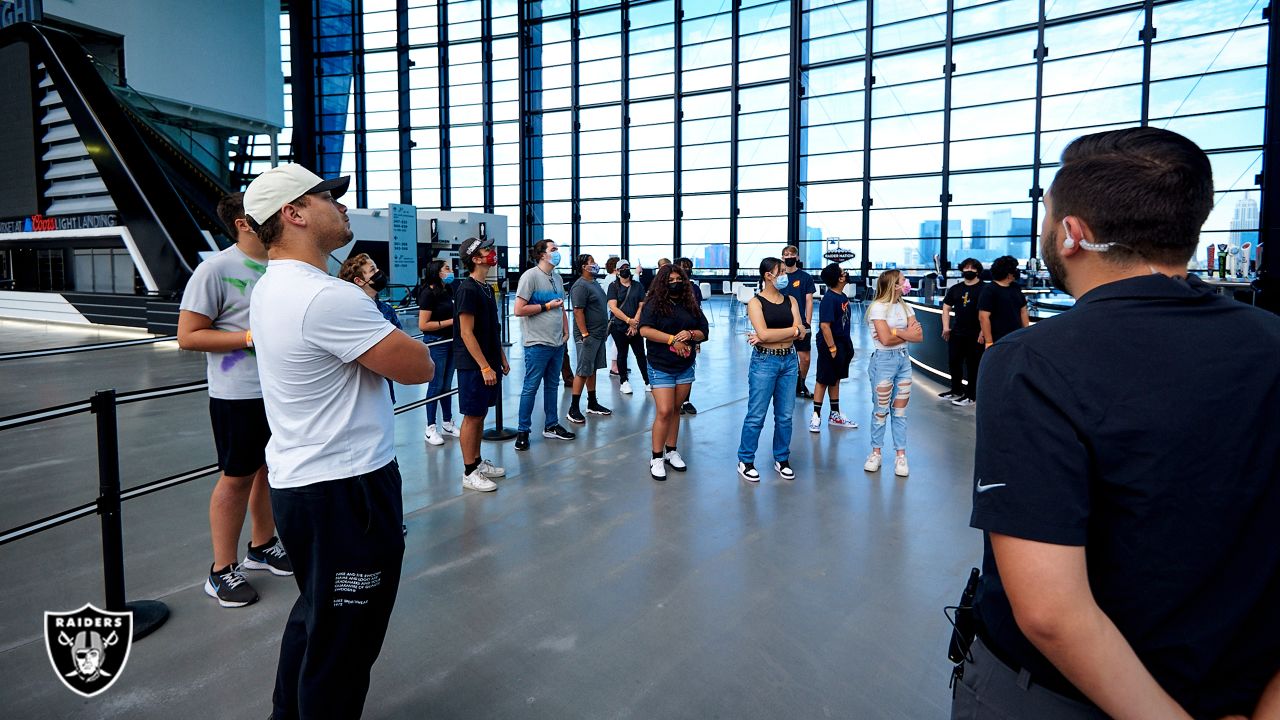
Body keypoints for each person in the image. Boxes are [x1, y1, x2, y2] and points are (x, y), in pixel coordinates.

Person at [955, 127, 1280, 720]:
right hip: (1235, 686)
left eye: (1049, 215)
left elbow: (1051, 610)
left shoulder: (1033, 363)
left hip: (1060, 698)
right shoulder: (1272, 342)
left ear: (1073, 233)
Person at [244, 163, 433, 720]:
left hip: (302, 483)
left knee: (316, 618)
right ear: (294, 213)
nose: (342, 205)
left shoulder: (271, 287)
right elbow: (418, 365)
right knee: (345, 645)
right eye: (327, 196)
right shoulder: (327, 298)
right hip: (347, 490)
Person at [178, 191, 291, 609]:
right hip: (237, 395)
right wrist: (247, 338)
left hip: (279, 390)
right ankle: (221, 569)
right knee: (237, 476)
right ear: (243, 223)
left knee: (267, 470)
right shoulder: (216, 270)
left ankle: (261, 545)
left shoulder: (280, 267)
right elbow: (188, 335)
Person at [736, 257, 805, 482]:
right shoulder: (755, 303)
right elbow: (763, 335)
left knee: (785, 416)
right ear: (768, 275)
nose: (785, 275)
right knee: (756, 415)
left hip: (789, 361)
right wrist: (792, 331)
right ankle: (745, 461)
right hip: (765, 362)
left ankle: (782, 458)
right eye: (781, 271)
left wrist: (793, 332)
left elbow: (802, 330)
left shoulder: (791, 300)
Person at [638, 264, 708, 480]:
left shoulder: (690, 303)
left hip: (685, 365)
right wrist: (672, 340)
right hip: (661, 364)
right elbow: (645, 330)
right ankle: (656, 457)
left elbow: (703, 331)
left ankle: (671, 451)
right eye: (671, 280)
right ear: (662, 282)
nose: (675, 283)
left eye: (679, 279)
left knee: (676, 409)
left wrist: (689, 334)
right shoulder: (653, 303)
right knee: (665, 411)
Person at [453, 236, 510, 492]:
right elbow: (467, 333)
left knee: (481, 413)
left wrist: (500, 358)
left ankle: (477, 462)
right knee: (472, 416)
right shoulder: (467, 289)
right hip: (474, 365)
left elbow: (491, 329)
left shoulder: (487, 287)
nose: (492, 252)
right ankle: (468, 471)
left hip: (489, 361)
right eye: (486, 250)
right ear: (475, 259)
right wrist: (484, 366)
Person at [512, 239, 576, 451]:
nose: (558, 253)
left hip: (557, 342)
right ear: (542, 254)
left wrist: (565, 329)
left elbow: (561, 307)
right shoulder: (530, 277)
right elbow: (519, 309)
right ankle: (523, 431)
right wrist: (546, 306)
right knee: (531, 387)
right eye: (553, 249)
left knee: (552, 385)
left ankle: (552, 424)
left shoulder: (556, 278)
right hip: (537, 343)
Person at [863, 269, 923, 477]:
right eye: (903, 280)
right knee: (880, 410)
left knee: (900, 412)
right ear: (894, 285)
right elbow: (885, 340)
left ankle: (900, 456)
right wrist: (903, 334)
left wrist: (895, 332)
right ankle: (875, 453)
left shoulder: (906, 307)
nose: (907, 283)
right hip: (883, 362)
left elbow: (918, 336)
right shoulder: (878, 308)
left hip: (903, 361)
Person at [339, 253, 402, 401]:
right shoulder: (348, 313)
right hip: (357, 391)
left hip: (385, 384)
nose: (378, 272)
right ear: (359, 280)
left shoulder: (387, 310)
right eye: (373, 270)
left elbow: (399, 345)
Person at [808, 263, 858, 433]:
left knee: (835, 378)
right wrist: (832, 348)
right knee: (823, 379)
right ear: (838, 278)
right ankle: (816, 416)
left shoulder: (842, 296)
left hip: (842, 344)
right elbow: (825, 326)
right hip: (831, 344)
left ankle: (834, 414)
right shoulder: (829, 299)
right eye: (843, 272)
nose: (846, 274)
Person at [417, 259, 460, 445]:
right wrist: (451, 322)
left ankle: (447, 422)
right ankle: (430, 428)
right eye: (447, 268)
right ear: (437, 271)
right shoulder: (428, 293)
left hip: (451, 342)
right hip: (437, 343)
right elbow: (423, 325)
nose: (451, 271)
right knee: (435, 386)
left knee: (446, 386)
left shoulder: (448, 290)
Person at [567, 253, 612, 424]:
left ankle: (592, 403)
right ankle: (573, 408)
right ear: (583, 266)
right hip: (588, 336)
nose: (595, 264)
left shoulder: (594, 283)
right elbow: (578, 311)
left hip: (599, 334)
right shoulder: (580, 286)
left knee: (592, 369)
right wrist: (585, 334)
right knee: (583, 370)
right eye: (591, 262)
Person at [940, 258, 986, 407]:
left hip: (976, 335)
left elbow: (989, 313)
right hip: (957, 332)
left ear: (978, 270)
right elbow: (946, 307)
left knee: (973, 365)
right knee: (954, 362)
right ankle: (956, 390)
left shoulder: (984, 289)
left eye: (972, 268)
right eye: (966, 267)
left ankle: (971, 395)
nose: (969, 270)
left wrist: (983, 331)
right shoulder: (956, 288)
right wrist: (946, 327)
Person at [606, 259, 649, 394]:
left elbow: (641, 305)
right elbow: (613, 307)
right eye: (622, 268)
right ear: (617, 271)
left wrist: (635, 322)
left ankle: (647, 381)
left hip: (635, 326)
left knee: (640, 354)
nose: (625, 269)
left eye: (627, 267)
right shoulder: (613, 286)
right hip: (618, 326)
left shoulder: (637, 286)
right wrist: (628, 320)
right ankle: (624, 381)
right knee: (622, 353)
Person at [780, 245, 817, 399]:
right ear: (782, 258)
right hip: (782, 323)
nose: (789, 257)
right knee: (782, 356)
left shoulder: (805, 277)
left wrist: (807, 322)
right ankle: (783, 387)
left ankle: (800, 385)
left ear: (797, 257)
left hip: (800, 324)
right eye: (785, 255)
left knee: (805, 358)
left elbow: (809, 301)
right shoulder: (779, 278)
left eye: (791, 254)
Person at [977, 255, 1029, 349]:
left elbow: (1023, 310)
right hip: (997, 338)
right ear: (1008, 273)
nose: (1017, 271)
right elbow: (983, 317)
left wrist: (1026, 332)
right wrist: (989, 342)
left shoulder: (1015, 287)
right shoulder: (989, 290)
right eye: (1014, 269)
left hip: (1016, 336)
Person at [675, 257, 701, 415]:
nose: (686, 270)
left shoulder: (694, 288)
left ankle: (685, 399)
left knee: (688, 366)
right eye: (682, 267)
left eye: (688, 267)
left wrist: (697, 339)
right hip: (671, 334)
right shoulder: (666, 288)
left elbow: (698, 313)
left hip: (690, 334)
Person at [602, 256, 620, 375]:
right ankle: (614, 366)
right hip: (615, 313)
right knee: (617, 341)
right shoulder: (614, 279)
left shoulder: (607, 278)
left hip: (609, 312)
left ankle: (617, 364)